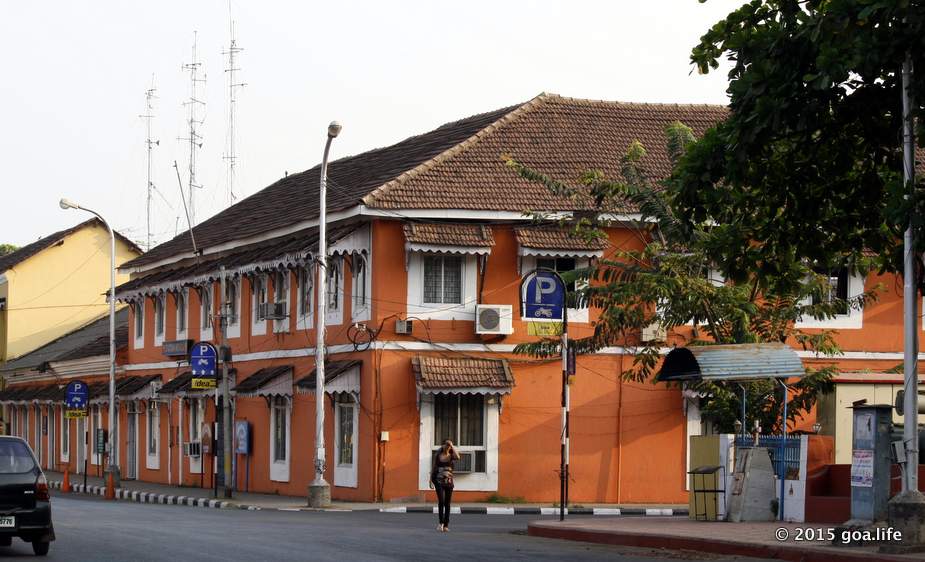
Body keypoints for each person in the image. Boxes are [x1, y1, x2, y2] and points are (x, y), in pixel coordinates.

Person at [430, 439, 460, 532]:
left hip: (449, 482)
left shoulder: (452, 456)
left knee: (447, 504)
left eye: (449, 445)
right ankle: (441, 523)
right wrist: (430, 480)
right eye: (446, 444)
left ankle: (446, 525)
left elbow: (458, 457)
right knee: (441, 502)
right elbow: (434, 467)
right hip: (438, 481)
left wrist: (452, 445)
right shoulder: (438, 456)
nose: (448, 446)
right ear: (442, 446)